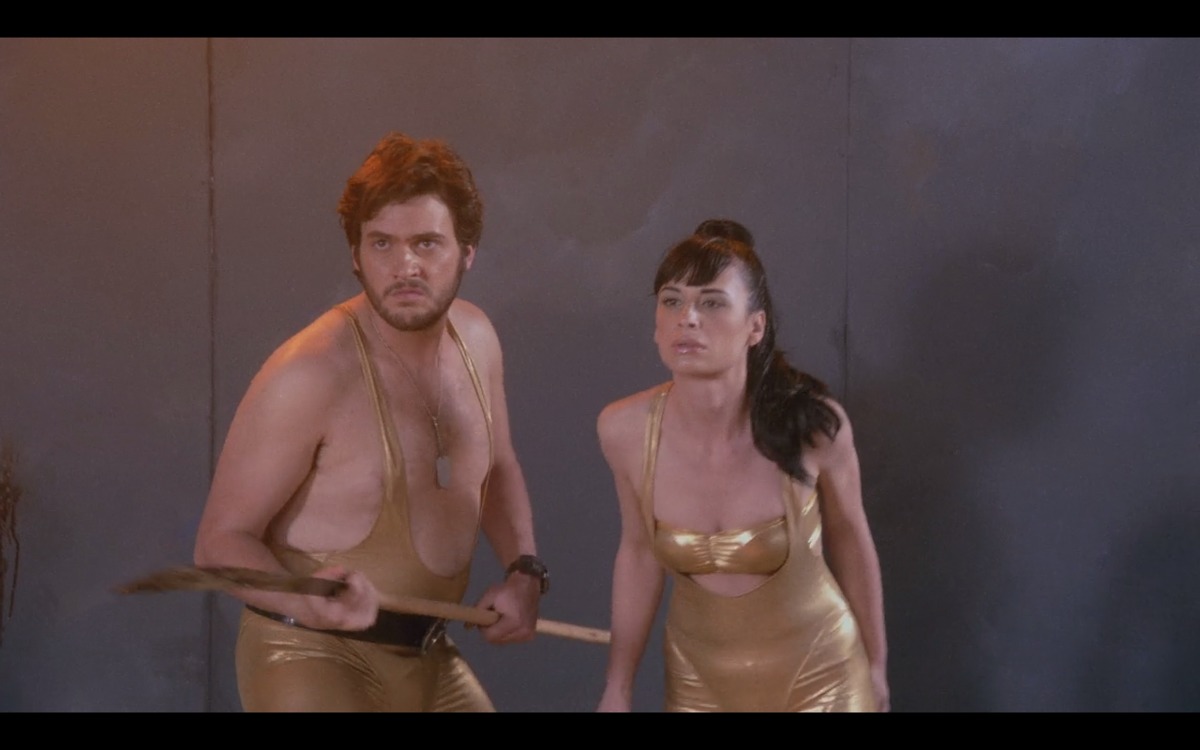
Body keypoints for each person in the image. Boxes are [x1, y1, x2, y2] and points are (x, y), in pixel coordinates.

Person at [193, 131, 550, 712]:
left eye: (427, 243)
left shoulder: (478, 338)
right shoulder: (310, 372)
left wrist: (524, 571)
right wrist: (307, 599)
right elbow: (218, 541)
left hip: (427, 653)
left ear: (467, 252)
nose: (404, 265)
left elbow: (498, 466)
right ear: (356, 256)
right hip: (310, 650)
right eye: (382, 243)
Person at [595, 219, 889, 712]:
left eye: (712, 302)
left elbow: (850, 536)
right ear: (656, 325)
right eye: (672, 301)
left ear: (756, 326)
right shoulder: (623, 430)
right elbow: (639, 553)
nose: (688, 318)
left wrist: (877, 663)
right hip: (699, 683)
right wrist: (617, 686)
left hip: (820, 677)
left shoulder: (813, 426)